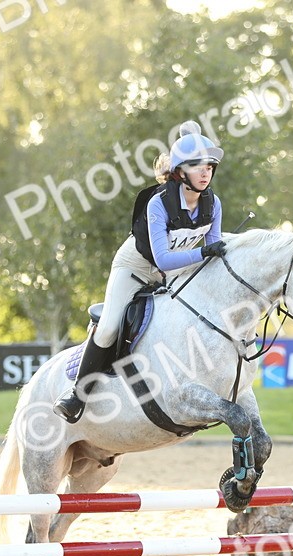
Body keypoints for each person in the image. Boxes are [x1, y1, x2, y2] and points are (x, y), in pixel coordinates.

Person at [53, 120, 228, 423]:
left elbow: (213, 252)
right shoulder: (158, 202)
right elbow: (162, 259)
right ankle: (76, 397)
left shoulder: (214, 204)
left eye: (209, 167)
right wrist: (202, 252)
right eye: (198, 166)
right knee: (108, 327)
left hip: (175, 273)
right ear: (179, 172)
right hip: (135, 268)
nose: (206, 172)